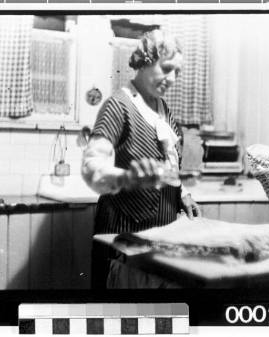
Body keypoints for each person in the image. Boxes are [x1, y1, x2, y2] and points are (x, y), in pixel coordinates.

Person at [81, 29, 200, 288]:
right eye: (167, 69)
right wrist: (126, 177)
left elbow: (168, 162)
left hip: (162, 229)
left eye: (177, 73)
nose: (172, 79)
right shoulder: (118, 106)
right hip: (124, 230)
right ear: (146, 61)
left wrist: (182, 195)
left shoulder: (162, 108)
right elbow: (92, 168)